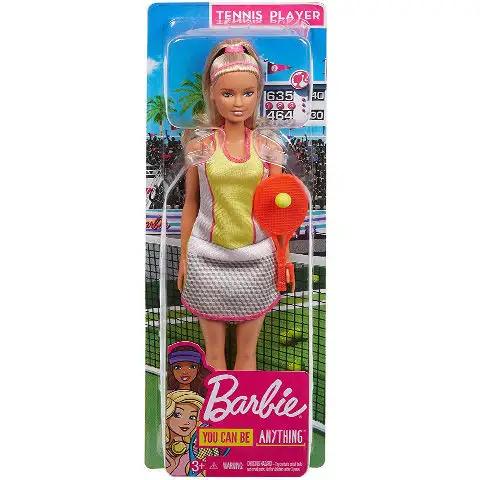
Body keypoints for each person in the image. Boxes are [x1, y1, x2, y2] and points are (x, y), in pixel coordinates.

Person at [177, 38, 292, 371]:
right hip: (206, 258)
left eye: (248, 93)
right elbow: (191, 202)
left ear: (258, 94)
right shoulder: (200, 147)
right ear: (212, 94)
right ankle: (216, 405)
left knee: (246, 354)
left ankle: (245, 405)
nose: (239, 103)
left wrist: (282, 257)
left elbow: (278, 210)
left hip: (257, 259)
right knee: (213, 355)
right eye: (228, 94)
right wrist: (184, 257)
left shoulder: (269, 148)